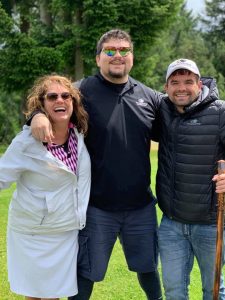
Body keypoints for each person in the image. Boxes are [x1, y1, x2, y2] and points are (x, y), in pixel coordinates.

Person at [29, 29, 163, 300]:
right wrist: (35, 116)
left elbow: (185, 118)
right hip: (95, 207)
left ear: (132, 57)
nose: (117, 56)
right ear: (98, 58)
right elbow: (47, 99)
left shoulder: (149, 98)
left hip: (141, 206)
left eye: (124, 50)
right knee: (86, 273)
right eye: (110, 51)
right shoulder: (79, 92)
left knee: (148, 268)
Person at [0, 74, 91, 300]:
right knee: (34, 294)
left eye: (65, 96)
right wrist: (36, 117)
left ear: (73, 101)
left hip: (65, 231)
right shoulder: (26, 143)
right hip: (32, 232)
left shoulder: (79, 134)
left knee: (54, 294)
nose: (60, 100)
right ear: (42, 104)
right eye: (52, 97)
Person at [155, 58, 225, 299]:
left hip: (211, 224)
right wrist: (38, 112)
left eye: (188, 81)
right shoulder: (161, 109)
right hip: (171, 224)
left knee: (213, 290)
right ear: (166, 87)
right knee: (174, 291)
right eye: (175, 82)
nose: (181, 87)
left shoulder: (221, 112)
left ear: (199, 83)